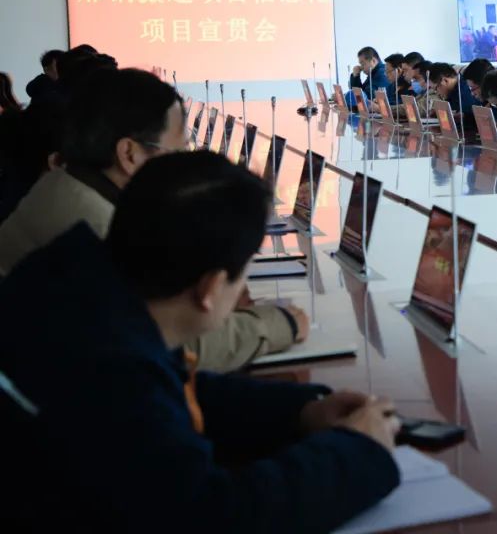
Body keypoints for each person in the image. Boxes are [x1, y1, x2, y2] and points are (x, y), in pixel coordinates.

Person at [0, 151, 401, 532]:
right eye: (242, 273)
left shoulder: (77, 289)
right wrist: (357, 451)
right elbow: (213, 516)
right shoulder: (112, 366)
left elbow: (174, 391)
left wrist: (301, 412)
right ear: (210, 288)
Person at [0, 68, 305, 372]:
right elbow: (175, 346)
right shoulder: (92, 228)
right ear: (129, 154)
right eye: (178, 150)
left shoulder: (69, 187)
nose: (184, 162)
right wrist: (280, 323)